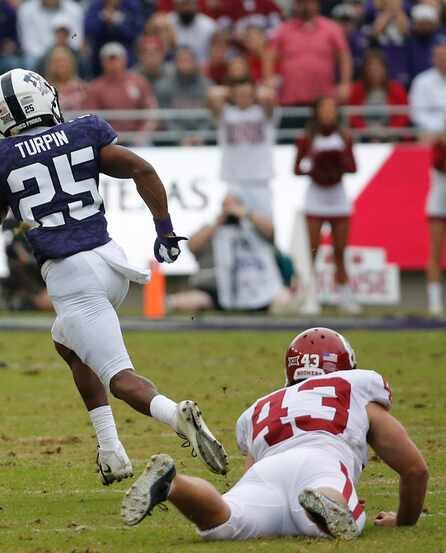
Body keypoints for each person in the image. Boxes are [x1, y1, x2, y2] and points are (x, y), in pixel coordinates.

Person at [0, 68, 229, 485]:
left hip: (71, 277)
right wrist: (164, 230)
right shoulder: (84, 130)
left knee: (120, 379)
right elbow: (141, 168)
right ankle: (111, 450)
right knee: (66, 342)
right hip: (110, 262)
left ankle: (177, 416)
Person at [121, 327, 429, 541]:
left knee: (225, 521)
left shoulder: (261, 407)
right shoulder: (352, 388)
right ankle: (326, 497)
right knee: (344, 520)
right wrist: (404, 521)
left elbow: (250, 472)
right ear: (345, 365)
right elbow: (414, 469)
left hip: (268, 471)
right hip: (322, 460)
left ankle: (174, 484)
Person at [166, 194, 291, 313]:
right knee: (180, 302)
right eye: (226, 205)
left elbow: (271, 230)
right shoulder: (214, 230)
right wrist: (217, 223)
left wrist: (246, 215)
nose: (230, 209)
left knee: (284, 301)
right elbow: (191, 245)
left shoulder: (256, 228)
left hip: (262, 291)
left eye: (235, 204)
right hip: (219, 291)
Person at [294, 97, 359, 315]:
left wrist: (336, 165)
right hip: (315, 198)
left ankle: (345, 295)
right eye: (324, 109)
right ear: (317, 112)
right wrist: (316, 169)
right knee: (313, 250)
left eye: (332, 109)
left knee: (340, 251)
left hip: (338, 199)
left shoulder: (344, 137)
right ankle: (311, 296)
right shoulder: (307, 138)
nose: (328, 113)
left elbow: (353, 166)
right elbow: (297, 168)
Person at [264, 0, 352, 129]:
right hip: (291, 99)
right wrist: (269, 81)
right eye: (302, 2)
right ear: (296, 5)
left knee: (325, 144)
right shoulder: (284, 29)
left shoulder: (331, 28)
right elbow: (269, 55)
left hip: (324, 101)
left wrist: (345, 83)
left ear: (317, 4)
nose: (306, 6)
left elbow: (344, 55)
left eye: (309, 2)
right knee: (290, 142)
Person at [208, 78, 277, 218]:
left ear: (254, 95)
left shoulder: (263, 113)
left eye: (247, 94)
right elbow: (213, 94)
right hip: (234, 182)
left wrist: (252, 91)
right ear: (233, 96)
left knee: (265, 223)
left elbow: (269, 95)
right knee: (233, 226)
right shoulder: (226, 114)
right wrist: (232, 91)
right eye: (239, 95)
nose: (243, 98)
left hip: (260, 181)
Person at [85, 42, 158, 143]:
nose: (114, 64)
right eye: (110, 60)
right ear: (102, 62)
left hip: (138, 140)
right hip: (109, 142)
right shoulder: (95, 88)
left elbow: (151, 112)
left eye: (116, 59)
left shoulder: (139, 82)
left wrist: (142, 136)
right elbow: (92, 119)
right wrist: (108, 140)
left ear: (125, 59)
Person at [348, 49, 409, 139]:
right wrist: (367, 132)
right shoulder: (357, 89)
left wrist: (389, 132)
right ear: (365, 70)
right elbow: (352, 116)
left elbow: (403, 115)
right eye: (371, 68)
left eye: (378, 68)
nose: (374, 71)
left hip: (392, 135)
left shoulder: (397, 89)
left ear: (385, 69)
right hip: (363, 136)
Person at [17, 0, 84, 66]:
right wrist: (48, 55)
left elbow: (75, 37)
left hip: (69, 51)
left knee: (80, 60)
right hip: (39, 55)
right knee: (30, 62)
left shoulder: (75, 10)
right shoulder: (26, 10)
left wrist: (64, 52)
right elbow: (29, 43)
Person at [409, 39, 446, 141]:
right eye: (440, 58)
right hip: (430, 131)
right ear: (433, 59)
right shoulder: (421, 81)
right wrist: (440, 129)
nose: (444, 61)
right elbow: (417, 113)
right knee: (426, 137)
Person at [427, 132, 446, 314]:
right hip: (439, 206)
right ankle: (434, 301)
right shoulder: (439, 145)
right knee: (436, 253)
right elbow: (440, 165)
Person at [44, 46, 89, 112]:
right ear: (51, 65)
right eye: (57, 61)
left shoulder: (82, 88)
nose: (61, 64)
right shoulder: (44, 88)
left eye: (64, 61)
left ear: (72, 63)